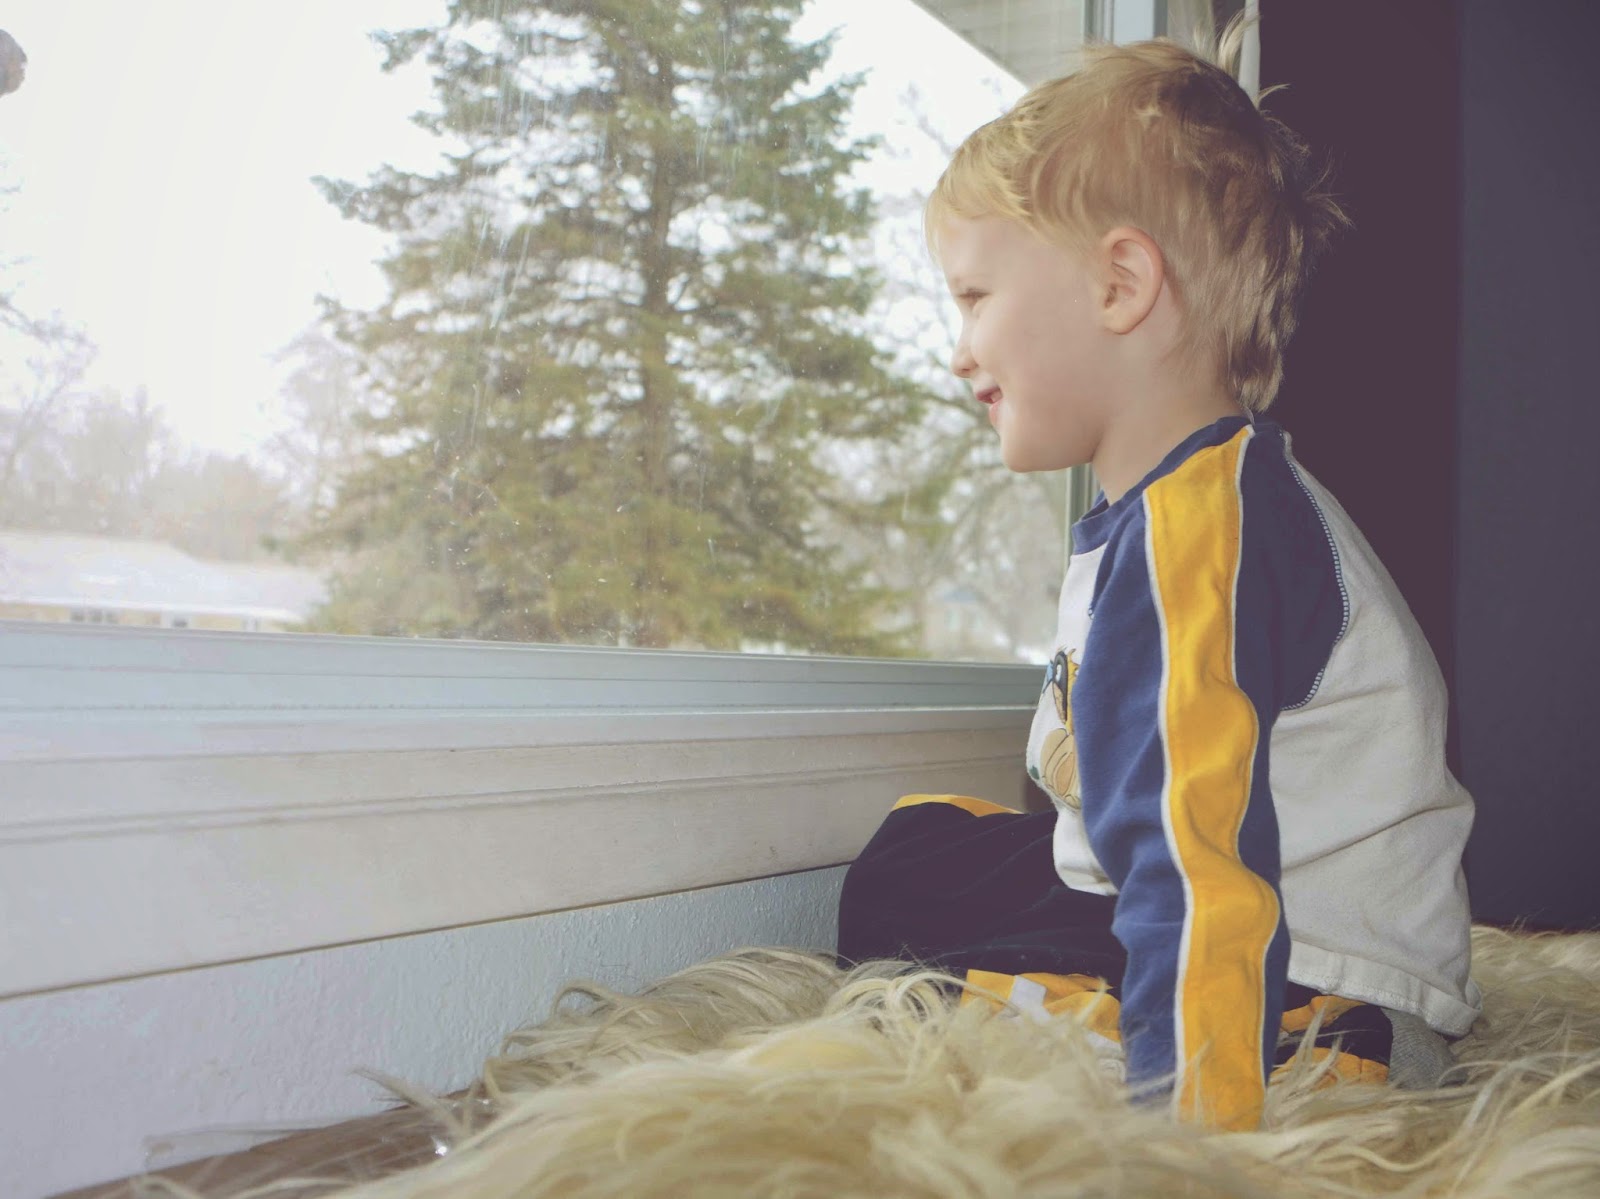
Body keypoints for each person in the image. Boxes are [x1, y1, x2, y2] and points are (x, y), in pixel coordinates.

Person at [836, 23, 1478, 1132]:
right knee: (917, 855)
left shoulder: (1203, 530)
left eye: (975, 297)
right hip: (1243, 904)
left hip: (1305, 973)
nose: (958, 349)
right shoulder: (1181, 503)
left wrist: (1190, 1125)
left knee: (912, 938)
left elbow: (1198, 854)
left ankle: (1186, 1041)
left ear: (1121, 283)